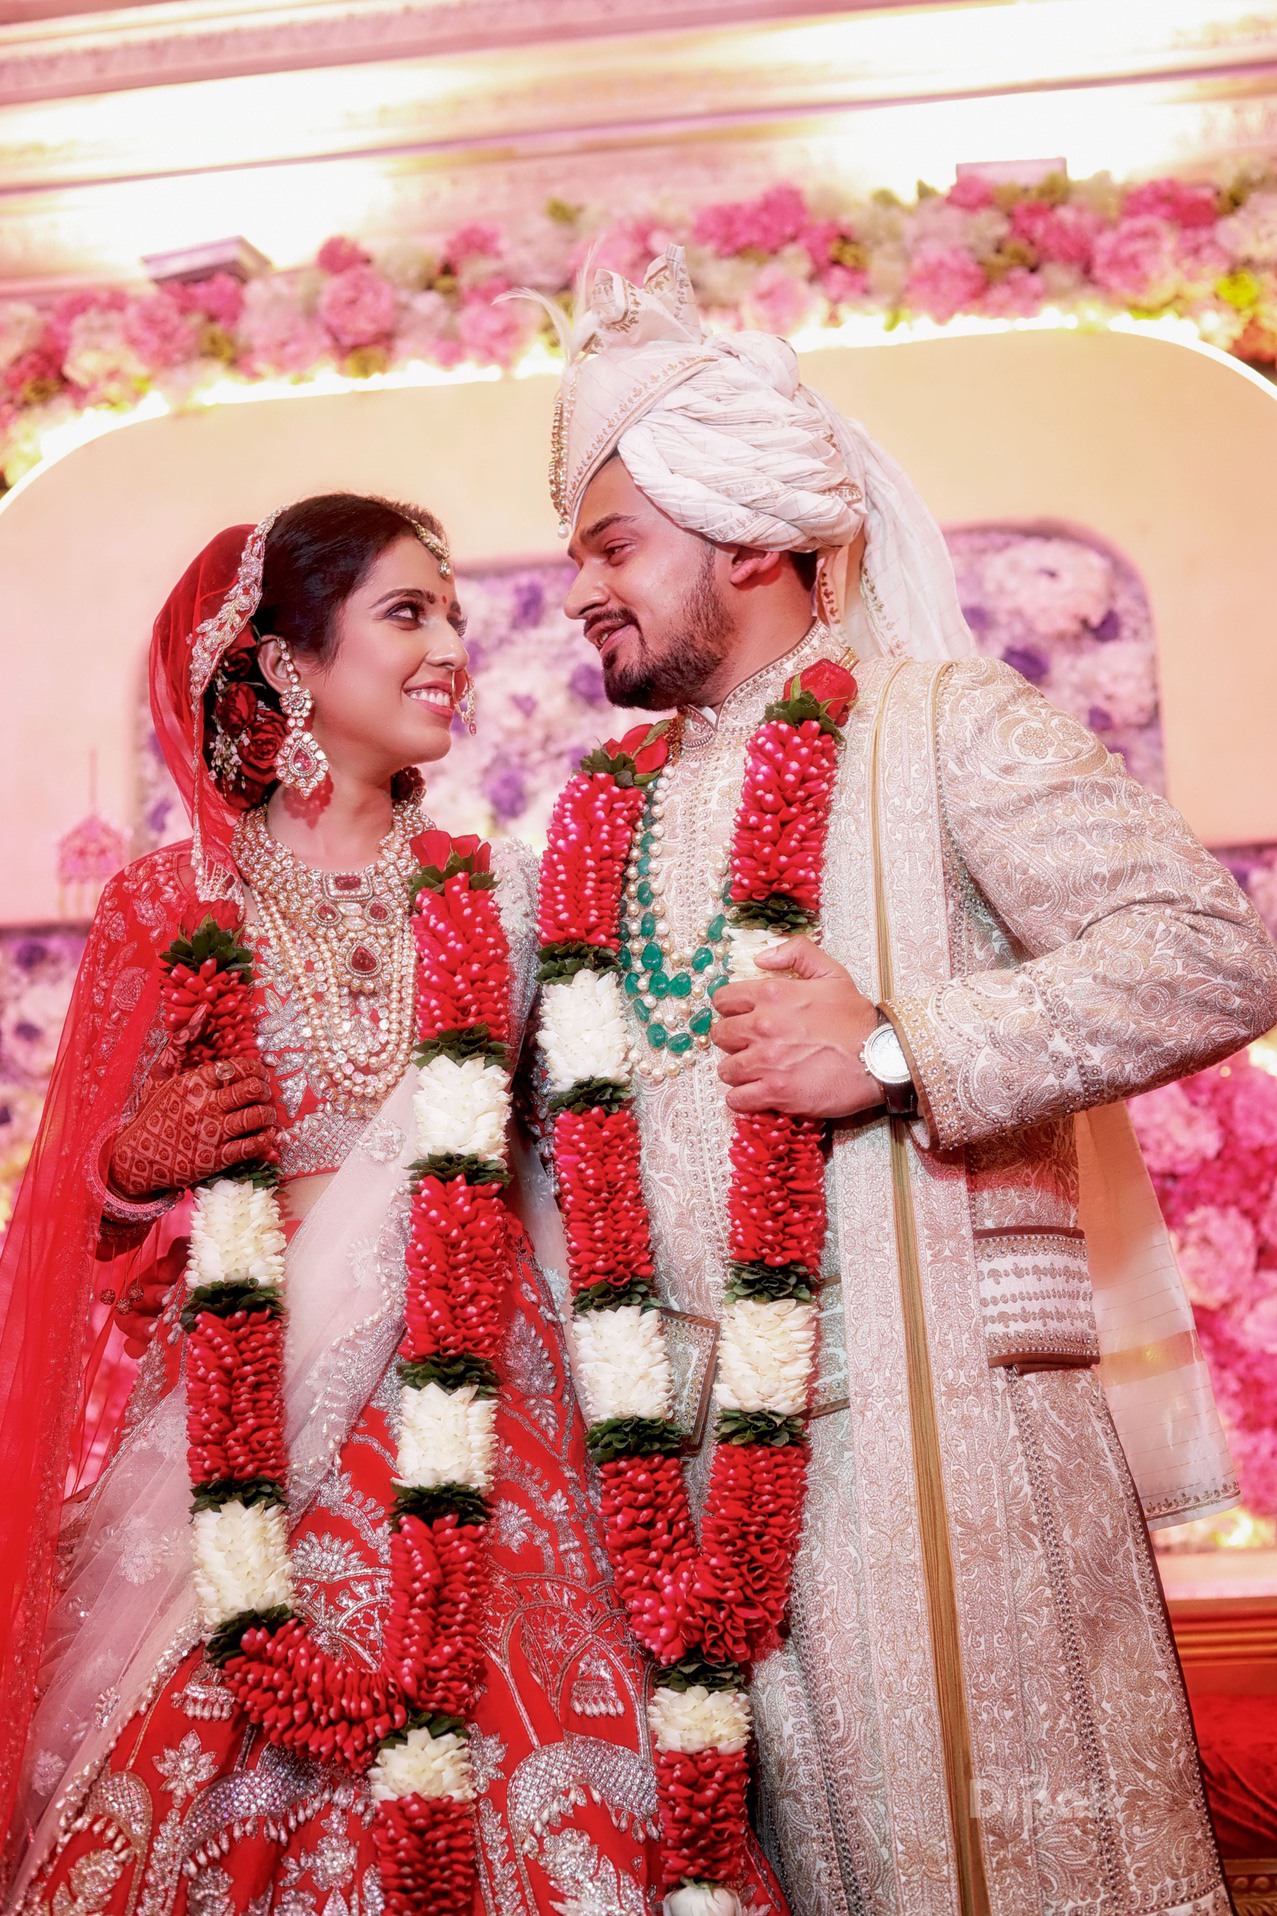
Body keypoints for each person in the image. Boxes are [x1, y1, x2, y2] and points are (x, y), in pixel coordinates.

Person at [536, 248, 1277, 1916]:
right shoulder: (603, 819)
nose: (576, 589)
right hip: (697, 1482)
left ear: (749, 535)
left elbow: (1207, 952)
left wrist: (888, 1047)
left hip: (946, 1447)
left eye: (611, 544)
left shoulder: (941, 729)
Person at [0, 494, 789, 1915]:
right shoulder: (169, 906)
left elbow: (587, 1160)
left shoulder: (504, 895)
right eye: (408, 614)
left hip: (494, 1394)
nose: (452, 653)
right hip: (247, 1398)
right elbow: (79, 1228)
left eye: (455, 620)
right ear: (287, 663)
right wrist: (134, 1163)